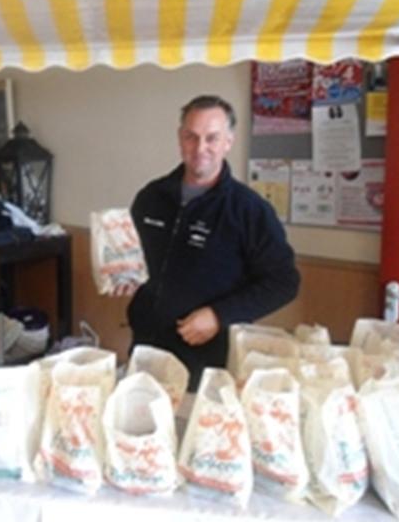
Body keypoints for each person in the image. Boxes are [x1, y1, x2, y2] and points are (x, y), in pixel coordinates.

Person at [122, 95, 300, 390]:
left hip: (209, 360)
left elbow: (284, 281)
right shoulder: (151, 197)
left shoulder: (249, 210)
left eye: (212, 138)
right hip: (146, 347)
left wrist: (219, 316)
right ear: (180, 138)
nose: (200, 147)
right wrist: (123, 277)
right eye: (191, 136)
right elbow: (135, 262)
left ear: (228, 142)